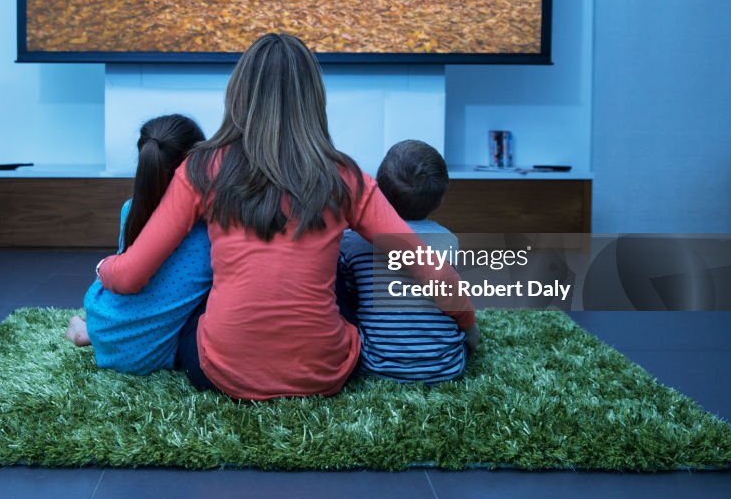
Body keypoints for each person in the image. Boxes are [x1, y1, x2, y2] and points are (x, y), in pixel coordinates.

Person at [96, 33, 476, 400]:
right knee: (341, 266)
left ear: (239, 94)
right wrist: (467, 323)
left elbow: (129, 277)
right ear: (314, 99)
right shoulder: (345, 177)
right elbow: (429, 267)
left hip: (222, 373)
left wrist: (104, 268)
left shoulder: (200, 168)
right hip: (324, 373)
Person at [65, 114, 213, 376]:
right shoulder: (212, 229)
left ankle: (85, 332)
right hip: (150, 353)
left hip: (107, 323)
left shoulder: (131, 209)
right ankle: (86, 332)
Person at [337, 140, 479, 384]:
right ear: (440, 200)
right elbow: (453, 296)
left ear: (377, 190)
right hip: (445, 367)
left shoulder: (352, 242)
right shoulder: (447, 241)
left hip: (374, 364)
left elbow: (349, 296)